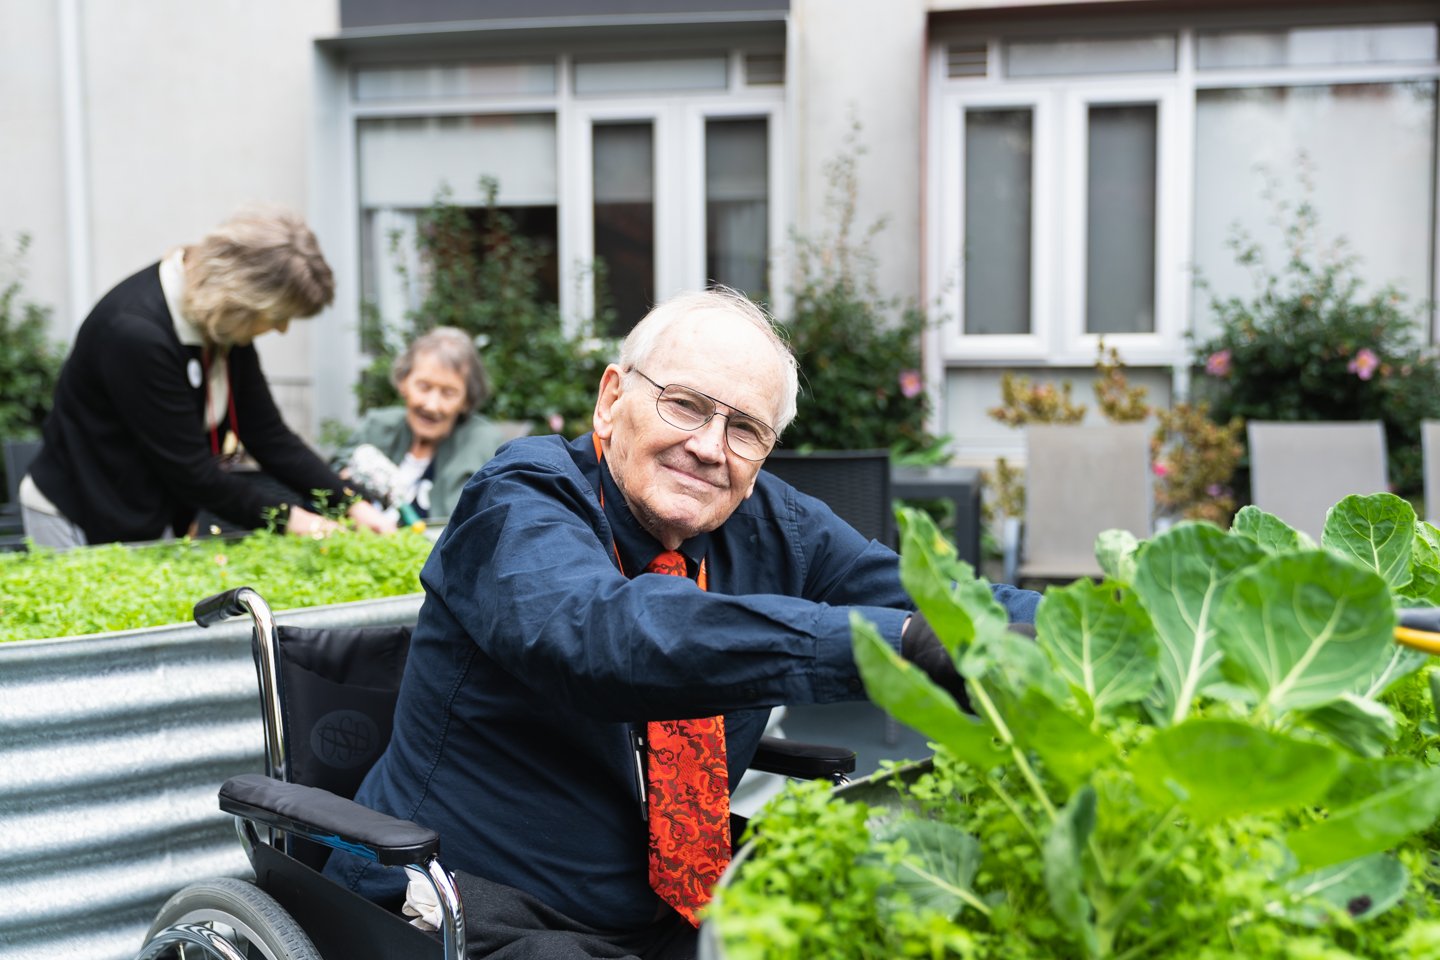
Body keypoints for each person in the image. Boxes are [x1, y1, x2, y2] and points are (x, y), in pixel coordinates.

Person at [324, 287, 1040, 959]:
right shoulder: (519, 498)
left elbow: (946, 602)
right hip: (474, 904)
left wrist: (1101, 635)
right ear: (611, 400)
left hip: (671, 911)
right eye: (686, 405)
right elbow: (609, 636)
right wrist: (893, 645)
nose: (710, 446)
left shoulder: (773, 523)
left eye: (745, 429)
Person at [21, 208, 392, 548]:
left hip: (142, 511)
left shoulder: (223, 323)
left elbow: (268, 435)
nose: (280, 329)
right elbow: (192, 473)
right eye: (280, 315)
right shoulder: (136, 334)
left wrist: (349, 504)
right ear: (241, 296)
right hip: (78, 514)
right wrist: (298, 521)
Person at [335, 327, 511, 523]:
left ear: (467, 400)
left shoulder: (481, 442)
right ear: (403, 383)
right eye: (424, 387)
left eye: (448, 393)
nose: (431, 405)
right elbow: (329, 481)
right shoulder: (377, 426)